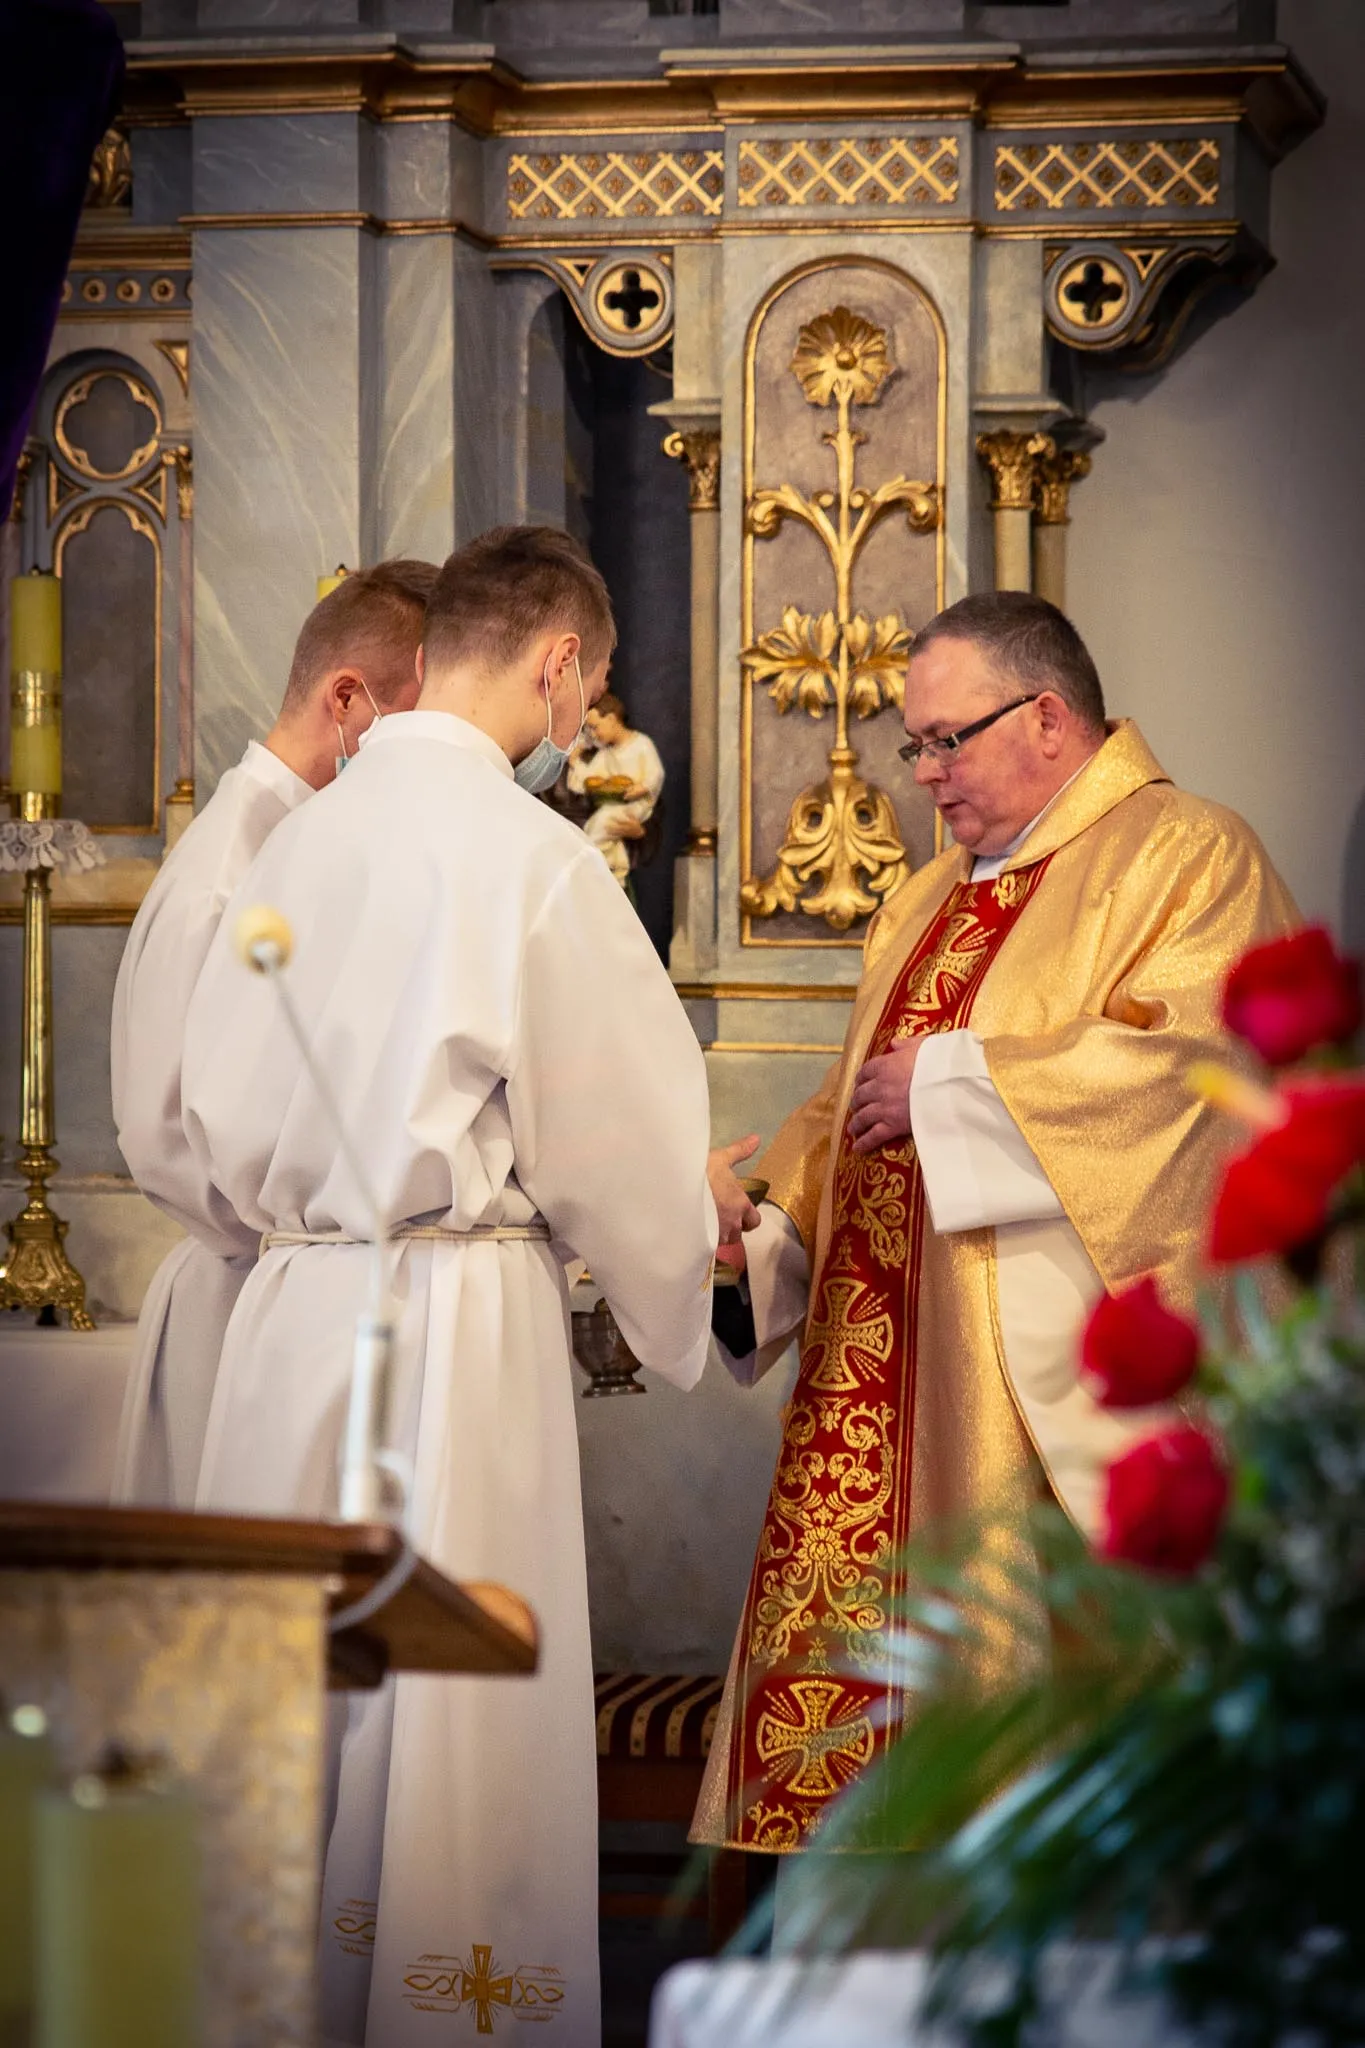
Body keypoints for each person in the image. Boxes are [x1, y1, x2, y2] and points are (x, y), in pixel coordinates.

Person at [179, 525, 758, 2048]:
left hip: (287, 1321)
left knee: (287, 1716)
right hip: (448, 1327)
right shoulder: (533, 860)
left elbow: (203, 1105)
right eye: (594, 687)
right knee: (450, 1724)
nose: (584, 719)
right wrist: (697, 1222)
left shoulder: (289, 842)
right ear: (559, 663)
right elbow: (613, 1143)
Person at [695, 590, 1298, 1859]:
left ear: (1048, 717)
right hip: (872, 1388)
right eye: (914, 744)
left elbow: (1206, 1077)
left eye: (945, 740)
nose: (924, 774)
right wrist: (757, 1232)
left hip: (1020, 1405)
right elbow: (844, 1109)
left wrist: (962, 1081)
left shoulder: (1187, 854)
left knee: (1034, 1762)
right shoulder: (921, 898)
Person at [110, 559, 437, 1506]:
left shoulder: (308, 848)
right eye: (419, 725)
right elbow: (161, 1134)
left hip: (300, 1289)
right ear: (347, 699)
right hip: (242, 1303)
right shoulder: (228, 875)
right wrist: (318, 1233)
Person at [565, 688, 665, 886]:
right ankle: (613, 871)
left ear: (611, 719)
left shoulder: (641, 744)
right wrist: (575, 762)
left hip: (636, 805)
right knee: (595, 826)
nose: (593, 734)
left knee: (600, 826)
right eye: (589, 730)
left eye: (595, 727)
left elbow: (656, 773)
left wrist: (643, 787)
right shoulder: (605, 754)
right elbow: (588, 781)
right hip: (613, 806)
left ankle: (592, 870)